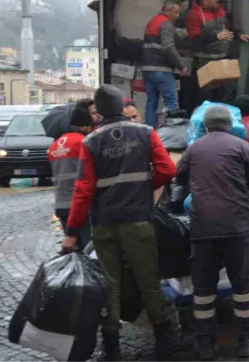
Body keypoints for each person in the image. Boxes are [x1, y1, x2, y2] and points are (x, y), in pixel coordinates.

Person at [61, 85, 183, 362]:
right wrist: (142, 191)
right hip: (138, 220)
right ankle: (164, 340)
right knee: (148, 281)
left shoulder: (91, 142)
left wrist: (71, 233)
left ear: (98, 112)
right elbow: (167, 169)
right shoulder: (145, 133)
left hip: (104, 223)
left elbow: (83, 191)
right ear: (121, 107)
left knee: (111, 284)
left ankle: (112, 345)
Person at [176, 105, 249, 360]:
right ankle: (245, 341)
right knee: (243, 287)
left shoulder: (194, 148)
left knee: (204, 289)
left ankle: (205, 344)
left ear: (206, 126)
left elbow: (179, 176)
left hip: (204, 229)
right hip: (239, 229)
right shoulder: (243, 147)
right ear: (229, 126)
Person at [184, 0, 249, 115]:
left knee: (226, 91)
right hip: (204, 60)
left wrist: (238, 35)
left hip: (222, 57)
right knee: (205, 93)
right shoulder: (194, 15)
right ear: (204, 0)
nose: (218, 0)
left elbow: (227, 29)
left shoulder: (220, 9)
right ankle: (204, 119)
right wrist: (216, 36)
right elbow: (195, 39)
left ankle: (226, 118)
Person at [47, 102, 94, 249]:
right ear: (83, 126)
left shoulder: (55, 145)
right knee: (89, 249)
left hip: (61, 205)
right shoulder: (83, 142)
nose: (91, 129)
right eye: (89, 126)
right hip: (80, 206)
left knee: (74, 247)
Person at [141, 1, 189, 127]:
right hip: (162, 69)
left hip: (147, 69)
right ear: (167, 11)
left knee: (151, 102)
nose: (178, 16)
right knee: (171, 103)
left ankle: (150, 132)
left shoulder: (152, 22)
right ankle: (172, 134)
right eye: (176, 12)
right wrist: (181, 65)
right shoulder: (166, 24)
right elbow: (168, 47)